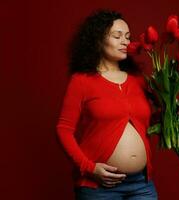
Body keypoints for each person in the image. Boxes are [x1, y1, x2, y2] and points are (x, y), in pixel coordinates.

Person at [56, 9, 158, 200]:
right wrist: (89, 168)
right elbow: (63, 129)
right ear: (98, 40)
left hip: (141, 183)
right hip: (99, 187)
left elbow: (145, 121)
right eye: (117, 36)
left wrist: (170, 112)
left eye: (127, 37)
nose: (125, 42)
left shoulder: (138, 80)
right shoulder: (82, 81)